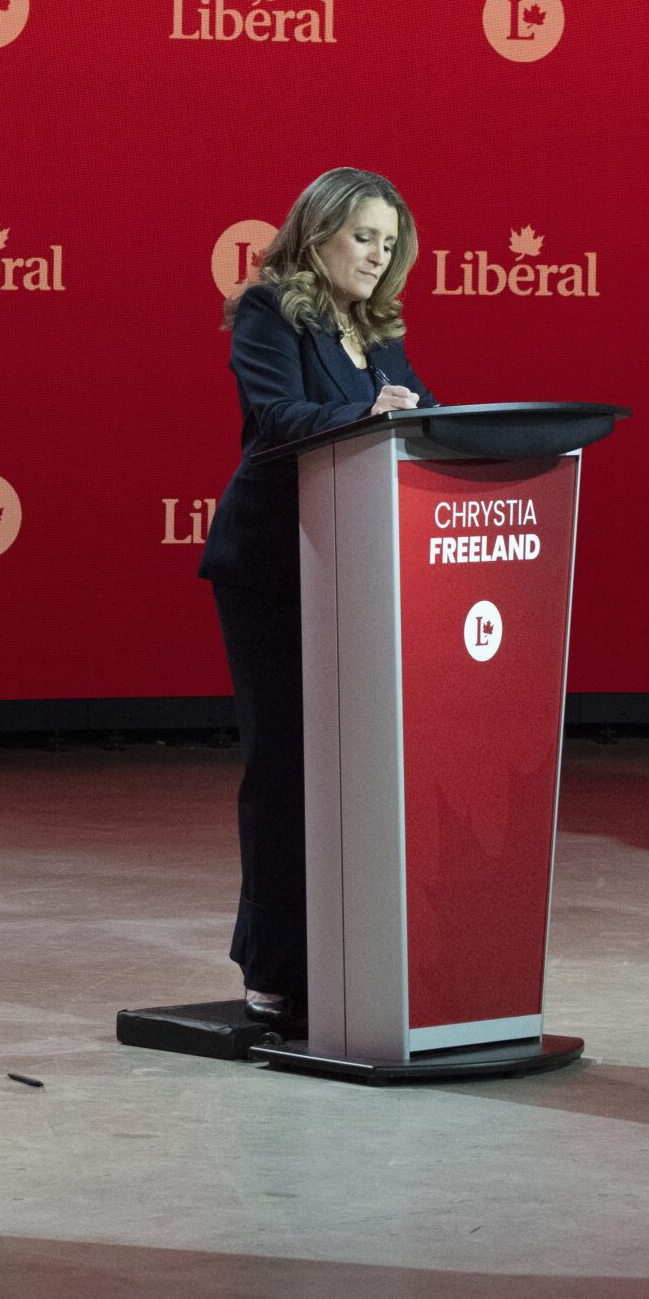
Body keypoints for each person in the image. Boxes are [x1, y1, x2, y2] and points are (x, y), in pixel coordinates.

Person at [197, 168, 436, 1026]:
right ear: (319, 232)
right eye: (363, 236)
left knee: (350, 767)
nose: (378, 255)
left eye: (388, 241)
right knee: (285, 764)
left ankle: (345, 949)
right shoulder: (272, 311)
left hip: (355, 569)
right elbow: (276, 419)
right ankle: (272, 966)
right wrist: (375, 414)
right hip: (273, 565)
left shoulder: (378, 331)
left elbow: (421, 415)